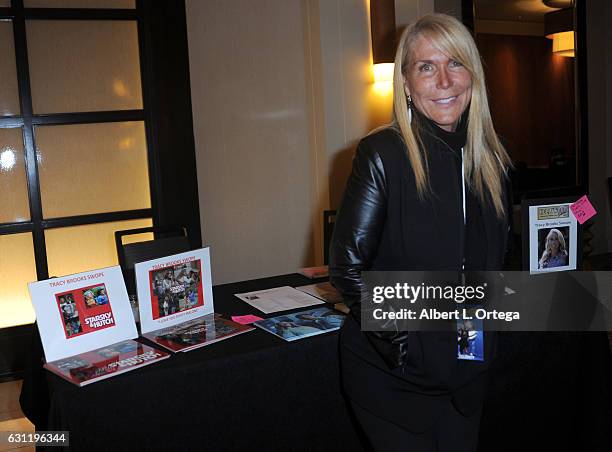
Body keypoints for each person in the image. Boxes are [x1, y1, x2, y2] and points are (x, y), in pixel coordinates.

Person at [329, 14, 512, 452]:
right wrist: (405, 344)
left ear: (474, 76)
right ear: (406, 85)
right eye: (427, 67)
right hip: (394, 381)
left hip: (466, 377)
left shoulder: (492, 161)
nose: (445, 80)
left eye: (456, 63)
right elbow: (347, 270)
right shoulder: (383, 154)